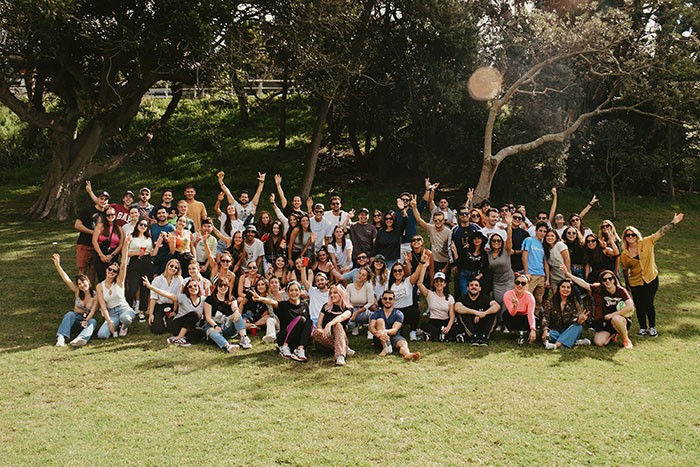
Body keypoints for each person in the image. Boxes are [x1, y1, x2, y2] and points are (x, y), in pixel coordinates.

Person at [620, 213, 684, 337]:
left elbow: (660, 232)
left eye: (633, 234)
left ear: (636, 235)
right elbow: (625, 269)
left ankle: (652, 327)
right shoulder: (625, 254)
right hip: (635, 281)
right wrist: (627, 284)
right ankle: (643, 328)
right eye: (628, 235)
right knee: (639, 305)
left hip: (651, 278)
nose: (631, 237)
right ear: (625, 238)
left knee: (648, 303)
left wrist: (673, 222)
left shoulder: (647, 242)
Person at [565, 269, 635, 349]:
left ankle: (626, 340)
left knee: (615, 318)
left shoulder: (621, 291)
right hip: (606, 322)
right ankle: (614, 334)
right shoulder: (599, 289)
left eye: (610, 278)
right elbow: (583, 283)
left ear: (614, 279)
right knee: (599, 342)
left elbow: (630, 306)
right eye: (604, 280)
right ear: (601, 281)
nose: (607, 281)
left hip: (620, 319)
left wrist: (612, 315)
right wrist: (568, 274)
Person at [251, 281, 313, 362]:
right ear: (287, 293)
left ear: (300, 292)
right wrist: (260, 298)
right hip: (284, 337)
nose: (294, 293)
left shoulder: (304, 305)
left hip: (297, 340)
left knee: (309, 322)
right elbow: (272, 302)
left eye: (296, 290)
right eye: (291, 290)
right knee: (301, 319)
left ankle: (300, 349)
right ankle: (284, 347)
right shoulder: (284, 305)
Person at [143, 275, 204, 347]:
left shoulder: (203, 299)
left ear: (199, 287)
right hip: (177, 325)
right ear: (187, 289)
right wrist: (151, 287)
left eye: (195, 285)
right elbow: (167, 295)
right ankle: (178, 338)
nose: (193, 288)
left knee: (201, 332)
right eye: (190, 287)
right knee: (195, 314)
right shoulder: (183, 297)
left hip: (191, 327)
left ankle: (183, 338)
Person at [52, 253, 98, 347]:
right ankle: (61, 338)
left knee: (93, 322)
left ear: (88, 282)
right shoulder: (77, 292)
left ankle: (80, 339)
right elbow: (66, 279)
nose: (82, 285)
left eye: (83, 282)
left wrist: (86, 320)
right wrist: (58, 265)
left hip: (87, 321)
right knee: (70, 314)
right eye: (79, 284)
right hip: (75, 320)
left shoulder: (96, 295)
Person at [96, 236, 136, 339]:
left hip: (124, 309)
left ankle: (124, 327)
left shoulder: (119, 282)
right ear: (106, 270)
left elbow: (123, 265)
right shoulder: (99, 286)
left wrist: (126, 245)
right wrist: (109, 321)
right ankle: (117, 324)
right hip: (112, 313)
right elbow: (103, 306)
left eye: (114, 271)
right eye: (110, 269)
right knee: (102, 335)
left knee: (126, 318)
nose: (111, 272)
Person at [125, 218, 162, 321]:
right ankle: (128, 308)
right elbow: (125, 252)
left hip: (147, 262)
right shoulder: (131, 237)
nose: (143, 226)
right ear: (137, 225)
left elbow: (153, 253)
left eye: (145, 225)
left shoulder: (148, 238)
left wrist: (158, 245)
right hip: (134, 262)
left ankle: (142, 310)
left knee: (145, 288)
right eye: (141, 224)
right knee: (133, 287)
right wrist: (136, 253)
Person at [369, 290, 421, 361]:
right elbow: (371, 326)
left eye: (390, 299)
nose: (387, 301)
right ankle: (385, 347)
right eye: (385, 298)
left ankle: (407, 354)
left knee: (403, 343)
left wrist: (382, 331)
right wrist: (377, 333)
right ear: (382, 300)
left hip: (394, 337)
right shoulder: (377, 313)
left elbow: (394, 330)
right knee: (380, 320)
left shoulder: (398, 314)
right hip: (380, 339)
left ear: (394, 300)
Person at [412, 196, 451, 288]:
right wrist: (414, 207)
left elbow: (451, 252)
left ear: (443, 221)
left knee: (445, 285)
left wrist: (446, 268)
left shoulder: (449, 232)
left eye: (440, 220)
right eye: (436, 220)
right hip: (434, 260)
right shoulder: (431, 228)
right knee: (433, 284)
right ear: (433, 220)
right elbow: (419, 220)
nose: (438, 222)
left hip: (445, 261)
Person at [541, 279, 590, 350]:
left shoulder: (574, 303)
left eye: (568, 287)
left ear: (571, 290)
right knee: (548, 335)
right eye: (563, 287)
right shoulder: (550, 302)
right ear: (559, 288)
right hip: (554, 331)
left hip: (569, 329)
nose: (565, 289)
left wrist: (579, 320)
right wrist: (545, 330)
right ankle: (571, 341)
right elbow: (545, 317)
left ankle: (556, 345)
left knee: (578, 327)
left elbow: (574, 320)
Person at [201, 278, 248, 353]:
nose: (223, 287)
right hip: (213, 325)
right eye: (220, 285)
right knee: (210, 330)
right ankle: (227, 346)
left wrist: (236, 311)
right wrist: (215, 326)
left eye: (225, 285)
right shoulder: (209, 299)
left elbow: (235, 307)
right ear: (216, 287)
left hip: (227, 326)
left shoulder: (231, 298)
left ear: (228, 287)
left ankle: (244, 338)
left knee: (237, 314)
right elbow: (208, 317)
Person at [312, 284, 354, 366]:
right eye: (330, 293)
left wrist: (330, 324)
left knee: (337, 324)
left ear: (341, 293)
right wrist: (322, 331)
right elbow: (319, 325)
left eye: (335, 293)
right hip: (324, 340)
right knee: (316, 332)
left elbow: (341, 317)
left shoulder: (348, 308)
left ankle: (340, 356)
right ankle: (345, 349)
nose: (332, 295)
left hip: (340, 338)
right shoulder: (325, 307)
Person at [388, 254, 427, 341]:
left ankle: (412, 332)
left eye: (400, 270)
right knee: (398, 335)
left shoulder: (408, 281)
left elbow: (417, 273)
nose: (397, 273)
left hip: (408, 310)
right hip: (396, 312)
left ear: (403, 271)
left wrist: (421, 262)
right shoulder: (390, 285)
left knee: (415, 311)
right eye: (395, 271)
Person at [74, 186, 109, 278]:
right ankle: (80, 290)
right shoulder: (87, 210)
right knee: (82, 269)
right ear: (97, 199)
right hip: (85, 243)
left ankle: (90, 290)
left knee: (93, 269)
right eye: (101, 198)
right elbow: (77, 225)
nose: (103, 201)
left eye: (106, 199)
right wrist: (92, 232)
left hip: (98, 245)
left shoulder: (107, 213)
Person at [454, 279, 500, 345]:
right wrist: (475, 312)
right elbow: (457, 308)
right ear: (467, 288)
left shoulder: (485, 298)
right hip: (470, 324)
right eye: (471, 285)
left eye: (476, 285)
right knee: (463, 313)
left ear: (480, 288)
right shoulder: (463, 299)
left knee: (492, 313)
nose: (474, 287)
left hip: (483, 323)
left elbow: (497, 306)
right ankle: (473, 336)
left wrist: (484, 313)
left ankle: (484, 336)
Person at [487, 215, 514, 323]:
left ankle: (506, 323)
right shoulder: (488, 253)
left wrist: (509, 225)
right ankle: (498, 322)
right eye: (494, 241)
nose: (496, 243)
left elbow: (509, 238)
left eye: (498, 241)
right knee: (497, 300)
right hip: (497, 280)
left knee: (506, 300)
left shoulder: (506, 250)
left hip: (508, 279)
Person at [145, 258, 183, 334]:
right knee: (157, 330)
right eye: (171, 266)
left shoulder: (179, 279)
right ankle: (160, 320)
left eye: (176, 268)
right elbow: (153, 298)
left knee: (173, 329)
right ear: (167, 266)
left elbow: (177, 297)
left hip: (172, 306)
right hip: (160, 305)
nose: (173, 269)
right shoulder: (157, 280)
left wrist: (175, 311)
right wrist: (151, 314)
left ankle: (167, 321)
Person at [416, 268, 455, 342]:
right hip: (434, 322)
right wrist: (424, 267)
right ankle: (442, 336)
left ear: (445, 284)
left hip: (445, 322)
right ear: (434, 283)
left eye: (441, 281)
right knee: (424, 325)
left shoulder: (450, 298)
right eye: (436, 281)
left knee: (459, 327)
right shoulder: (429, 294)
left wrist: (448, 327)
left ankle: (437, 336)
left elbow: (452, 316)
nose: (439, 283)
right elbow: (419, 284)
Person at [91, 206, 124, 283]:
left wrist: (112, 255)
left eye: (112, 214)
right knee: (101, 277)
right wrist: (101, 255)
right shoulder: (100, 226)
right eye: (108, 215)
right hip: (101, 252)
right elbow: (94, 241)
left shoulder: (119, 229)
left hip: (113, 254)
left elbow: (120, 244)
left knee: (113, 278)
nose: (110, 216)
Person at [522, 221, 548, 317]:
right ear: (536, 231)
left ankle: (535, 318)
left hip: (541, 275)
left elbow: (545, 262)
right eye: (540, 230)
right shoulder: (529, 240)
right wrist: (526, 272)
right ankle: (525, 317)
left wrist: (547, 277)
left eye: (544, 231)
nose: (542, 233)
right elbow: (524, 256)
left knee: (539, 299)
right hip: (531, 274)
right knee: (528, 297)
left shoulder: (544, 245)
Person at [503, 274, 537, 346]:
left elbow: (530, 314)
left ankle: (528, 332)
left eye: (523, 283)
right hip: (513, 316)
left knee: (536, 319)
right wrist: (515, 307)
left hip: (525, 317)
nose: (520, 285)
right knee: (505, 314)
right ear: (514, 284)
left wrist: (533, 329)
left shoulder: (530, 297)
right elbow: (511, 314)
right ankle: (513, 332)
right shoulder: (508, 294)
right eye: (517, 282)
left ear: (527, 286)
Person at [452, 230, 488, 297]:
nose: (477, 240)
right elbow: (459, 262)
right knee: (465, 295)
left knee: (475, 295)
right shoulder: (466, 250)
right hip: (464, 275)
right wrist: (455, 251)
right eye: (475, 239)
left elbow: (485, 268)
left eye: (479, 238)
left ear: (482, 240)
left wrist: (478, 277)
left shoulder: (484, 253)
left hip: (476, 276)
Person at [346, 266, 376, 336]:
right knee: (348, 319)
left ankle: (370, 330)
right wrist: (351, 312)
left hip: (363, 310)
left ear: (366, 279)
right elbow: (347, 301)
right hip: (352, 309)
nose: (360, 276)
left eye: (363, 275)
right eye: (360, 273)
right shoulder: (349, 287)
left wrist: (357, 312)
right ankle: (355, 326)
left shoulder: (368, 286)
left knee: (374, 315)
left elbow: (370, 302)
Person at [213, 192, 244, 257]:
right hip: (221, 243)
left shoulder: (240, 223)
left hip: (232, 244)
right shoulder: (224, 217)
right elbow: (216, 209)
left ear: (235, 210)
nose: (230, 210)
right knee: (219, 262)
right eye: (228, 209)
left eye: (232, 208)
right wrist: (219, 200)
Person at [543, 228, 570, 292]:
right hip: (553, 274)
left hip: (563, 273)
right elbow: (546, 265)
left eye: (552, 236)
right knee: (555, 295)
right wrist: (547, 279)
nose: (550, 238)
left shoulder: (560, 245)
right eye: (548, 236)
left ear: (556, 237)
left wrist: (568, 274)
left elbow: (567, 260)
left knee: (565, 293)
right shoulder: (546, 248)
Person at [150, 207, 175, 275]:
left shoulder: (171, 228)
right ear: (157, 215)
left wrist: (166, 238)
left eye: (163, 213)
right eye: (159, 213)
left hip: (166, 258)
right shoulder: (153, 227)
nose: (161, 215)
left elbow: (173, 247)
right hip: (155, 257)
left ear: (167, 214)